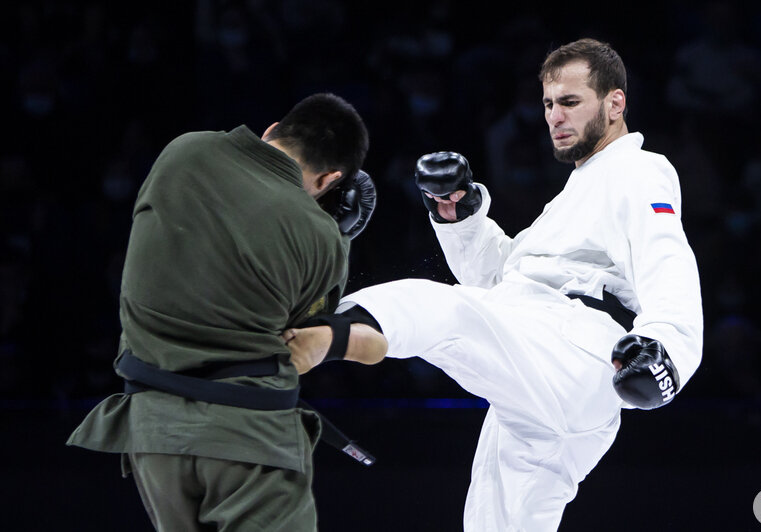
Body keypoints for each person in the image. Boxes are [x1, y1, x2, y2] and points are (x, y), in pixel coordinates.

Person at [284, 39, 703, 531]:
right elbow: (504, 286)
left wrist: (670, 350)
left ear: (614, 103)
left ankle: (308, 336)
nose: (554, 116)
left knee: (443, 309)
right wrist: (461, 218)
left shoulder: (637, 169)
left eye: (570, 102)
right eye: (548, 104)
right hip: (551, 388)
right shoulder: (580, 190)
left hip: (576, 355)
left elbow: (665, 254)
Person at [67, 92, 384, 531]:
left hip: (153, 432)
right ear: (330, 178)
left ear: (272, 130)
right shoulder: (318, 232)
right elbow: (303, 338)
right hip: (246, 434)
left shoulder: (183, 150)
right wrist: (341, 236)